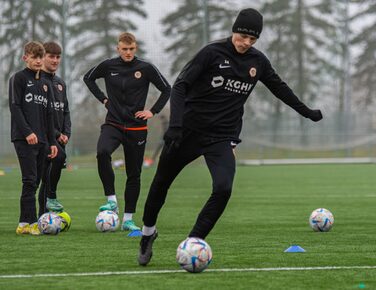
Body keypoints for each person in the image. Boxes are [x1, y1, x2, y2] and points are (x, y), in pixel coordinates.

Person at [137, 8, 323, 266]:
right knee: (161, 183)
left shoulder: (258, 62)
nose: (246, 43)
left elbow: (280, 88)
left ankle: (194, 243)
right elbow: (180, 87)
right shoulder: (211, 53)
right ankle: (147, 234)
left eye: (253, 39)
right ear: (234, 30)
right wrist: (176, 126)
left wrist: (307, 112)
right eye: (243, 36)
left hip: (222, 137)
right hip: (188, 132)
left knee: (223, 189)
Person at [83, 32, 171, 231]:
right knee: (102, 152)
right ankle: (112, 200)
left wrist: (152, 111)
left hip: (136, 128)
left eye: (131, 49)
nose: (128, 53)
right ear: (118, 48)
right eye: (124, 49)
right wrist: (104, 99)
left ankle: (128, 220)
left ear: (135, 48)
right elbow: (88, 78)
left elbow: (167, 88)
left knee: (134, 174)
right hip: (113, 124)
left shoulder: (146, 68)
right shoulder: (108, 66)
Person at [9, 41, 58, 235]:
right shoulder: (18, 79)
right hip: (24, 138)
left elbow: (49, 115)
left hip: (44, 141)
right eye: (34, 57)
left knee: (37, 181)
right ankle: (25, 223)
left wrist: (53, 142)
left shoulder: (46, 84)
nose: (38, 61)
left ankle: (30, 222)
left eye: (40, 57)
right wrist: (28, 132)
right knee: (29, 180)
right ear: (25, 58)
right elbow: (15, 107)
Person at [38, 41, 71, 215]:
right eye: (51, 56)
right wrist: (57, 135)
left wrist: (66, 133)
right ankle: (49, 201)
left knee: (47, 179)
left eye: (58, 57)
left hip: (59, 137)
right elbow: (42, 115)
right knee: (45, 176)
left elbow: (65, 110)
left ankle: (43, 216)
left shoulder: (60, 83)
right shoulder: (38, 81)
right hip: (45, 137)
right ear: (43, 57)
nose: (55, 60)